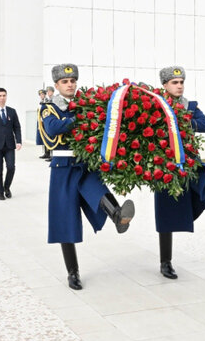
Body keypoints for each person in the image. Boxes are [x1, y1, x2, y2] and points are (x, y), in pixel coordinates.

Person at [40, 63, 135, 290]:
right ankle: (73, 272)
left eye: (73, 81)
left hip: (83, 162)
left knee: (97, 189)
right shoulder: (48, 108)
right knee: (65, 222)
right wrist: (78, 119)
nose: (70, 84)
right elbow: (53, 128)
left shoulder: (84, 105)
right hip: (63, 167)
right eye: (65, 82)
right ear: (57, 85)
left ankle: (118, 217)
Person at [153, 66, 205, 280]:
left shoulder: (189, 106)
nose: (179, 86)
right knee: (165, 213)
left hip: (189, 160)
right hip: (164, 164)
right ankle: (165, 261)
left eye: (181, 82)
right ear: (165, 85)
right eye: (174, 82)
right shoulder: (155, 104)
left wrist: (185, 120)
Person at [36, 89, 52, 161]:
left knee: (48, 137)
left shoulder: (47, 101)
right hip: (41, 121)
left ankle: (50, 154)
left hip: (45, 121)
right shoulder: (40, 102)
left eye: (43, 94)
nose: (41, 95)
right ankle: (46, 153)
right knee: (43, 138)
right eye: (40, 95)